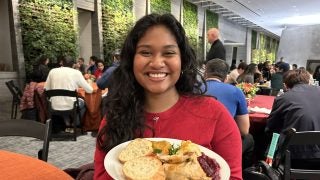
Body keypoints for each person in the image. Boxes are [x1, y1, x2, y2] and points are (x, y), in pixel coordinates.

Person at [94, 13, 242, 180]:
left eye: (169, 53)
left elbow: (233, 176)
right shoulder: (115, 115)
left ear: (183, 60)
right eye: (145, 52)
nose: (157, 63)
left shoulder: (216, 115)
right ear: (131, 61)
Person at [204, 59, 254, 169]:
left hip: (194, 143)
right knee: (249, 139)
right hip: (220, 148)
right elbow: (244, 130)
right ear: (226, 77)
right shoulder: (235, 91)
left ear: (204, 74)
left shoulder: (191, 89)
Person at [265, 69, 320, 169]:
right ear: (308, 81)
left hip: (295, 158)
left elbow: (271, 128)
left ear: (285, 85)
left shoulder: (284, 98)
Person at [45, 56, 93, 130]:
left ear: (62, 63)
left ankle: (67, 124)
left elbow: (46, 88)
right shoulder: (76, 72)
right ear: (73, 64)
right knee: (84, 103)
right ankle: (74, 124)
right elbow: (89, 90)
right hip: (70, 104)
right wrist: (89, 83)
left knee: (64, 101)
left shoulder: (52, 71)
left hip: (54, 104)